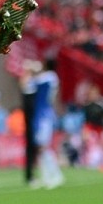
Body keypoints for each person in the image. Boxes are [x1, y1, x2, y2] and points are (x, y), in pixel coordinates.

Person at [23, 58, 63, 189]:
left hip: (44, 116)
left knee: (43, 147)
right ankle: (47, 177)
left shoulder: (50, 77)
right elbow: (28, 86)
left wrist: (31, 68)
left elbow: (30, 83)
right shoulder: (48, 78)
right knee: (40, 148)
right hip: (41, 116)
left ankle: (56, 175)